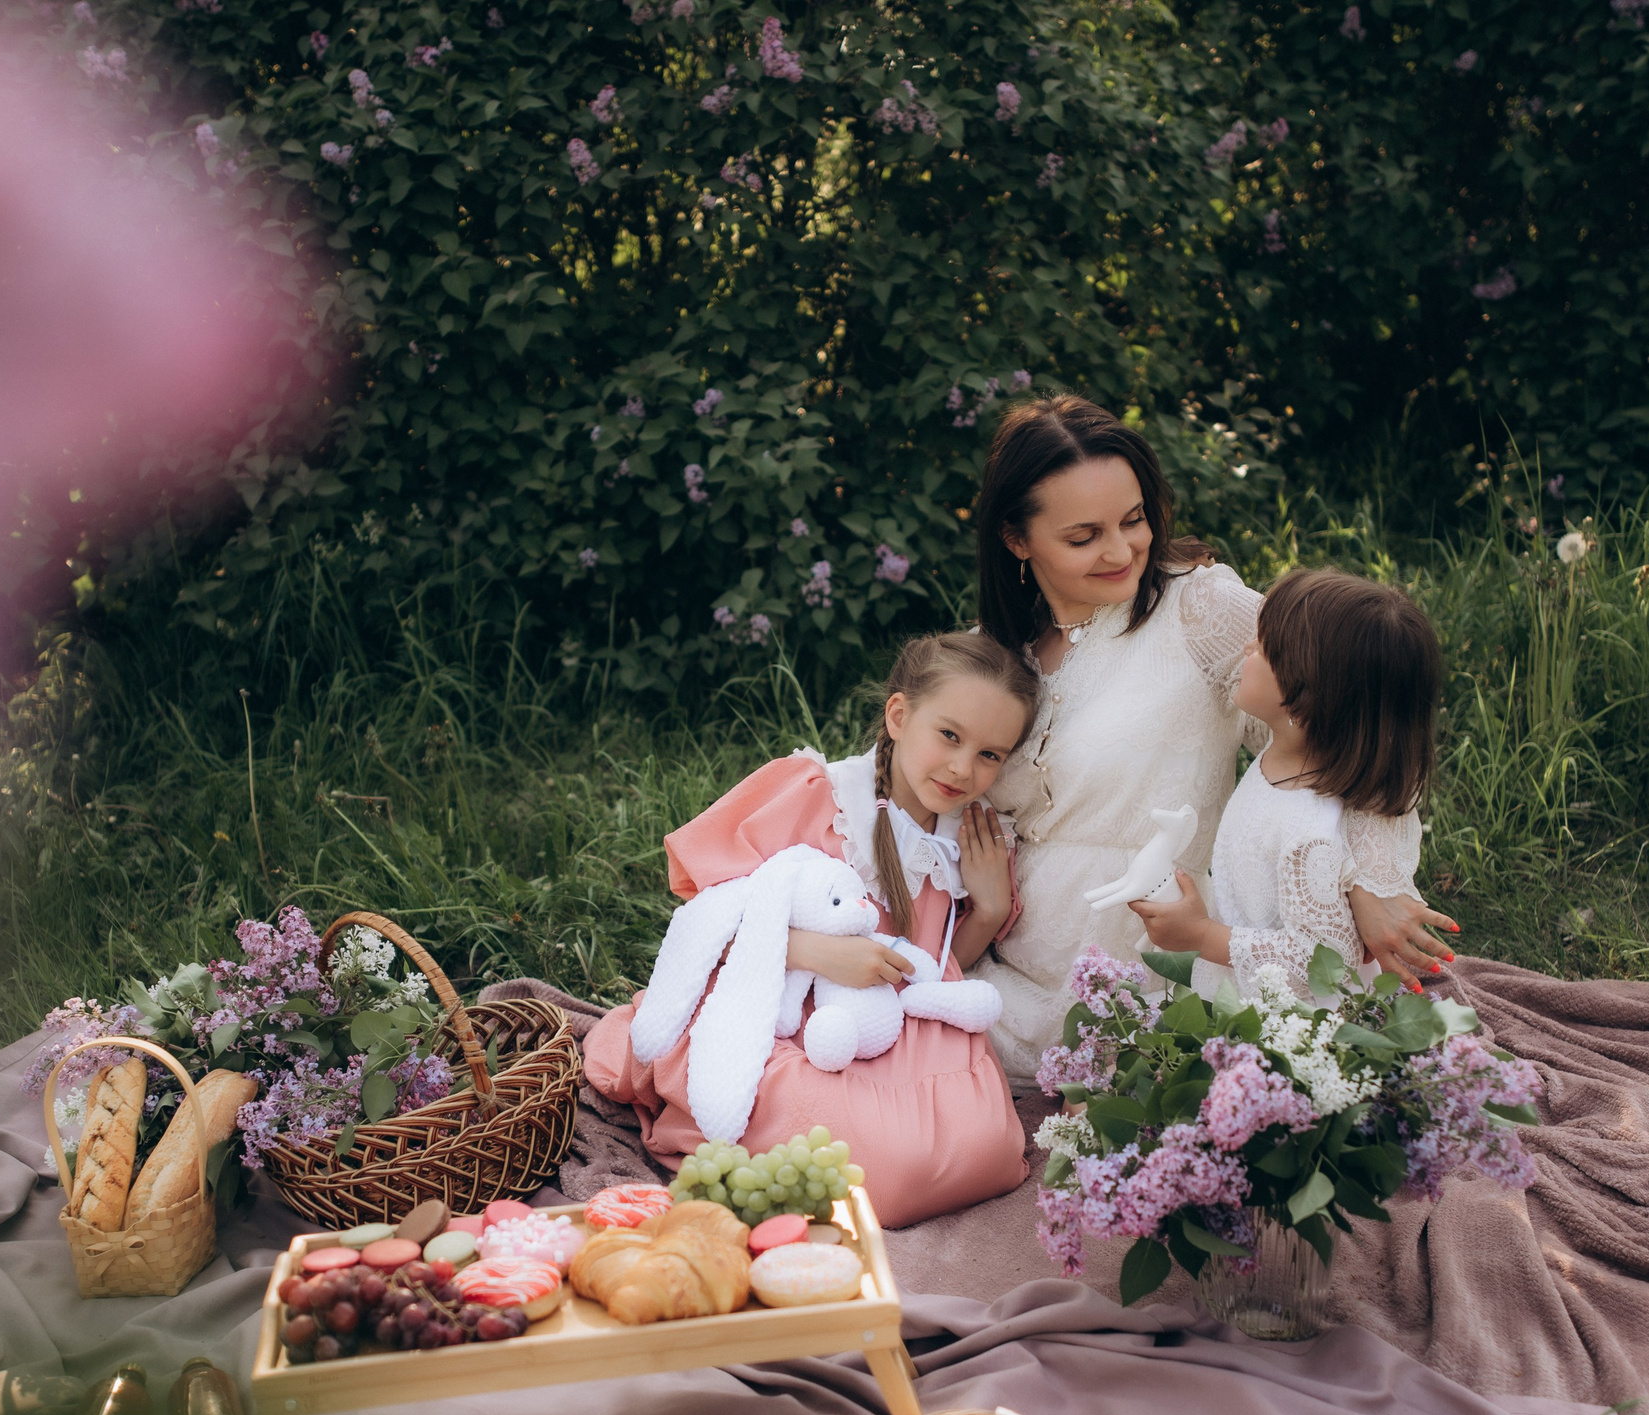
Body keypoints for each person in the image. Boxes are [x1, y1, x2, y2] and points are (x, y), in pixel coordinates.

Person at [966, 393, 1460, 1080]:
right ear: (1017, 540)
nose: (1120, 550)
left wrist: (1368, 886)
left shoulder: (1197, 609)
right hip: (1009, 968)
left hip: (1164, 972)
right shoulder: (990, 654)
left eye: (1134, 520)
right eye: (1084, 537)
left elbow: (1353, 717)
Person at [581, 632, 1037, 1225]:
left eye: (990, 755)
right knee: (888, 1170)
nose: (962, 768)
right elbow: (710, 921)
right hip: (785, 1014)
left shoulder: (967, 842)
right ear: (899, 715)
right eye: (949, 735)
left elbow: (937, 968)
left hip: (892, 1030)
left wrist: (990, 910)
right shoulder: (819, 797)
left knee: (985, 1148)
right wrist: (815, 952)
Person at [1129, 567, 1445, 1003]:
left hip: (1301, 1021)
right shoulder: (1285, 758)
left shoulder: (1308, 832)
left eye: (1261, 649)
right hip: (1250, 993)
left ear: (1308, 693)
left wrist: (1202, 936)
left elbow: (1322, 961)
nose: (1244, 647)